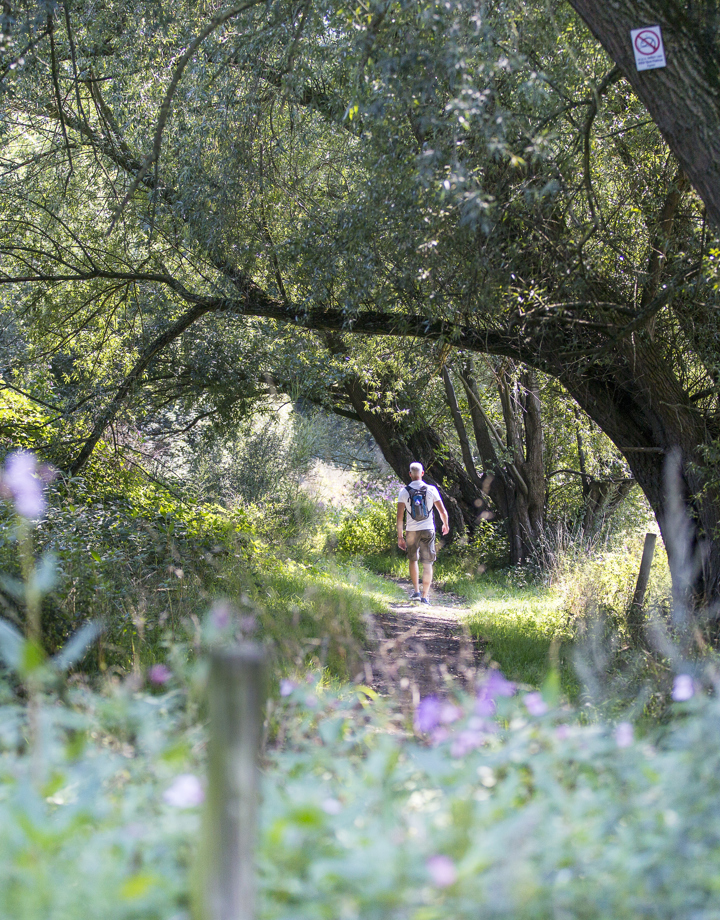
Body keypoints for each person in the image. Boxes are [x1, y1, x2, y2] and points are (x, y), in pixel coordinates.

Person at [396, 462, 450, 605]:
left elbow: (399, 517)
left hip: (411, 531)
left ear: (409, 474)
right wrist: (446, 524)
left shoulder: (404, 491)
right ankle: (425, 597)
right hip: (428, 529)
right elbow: (442, 511)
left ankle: (416, 592)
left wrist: (400, 537)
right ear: (422, 473)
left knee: (413, 560)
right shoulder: (431, 489)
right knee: (427, 563)